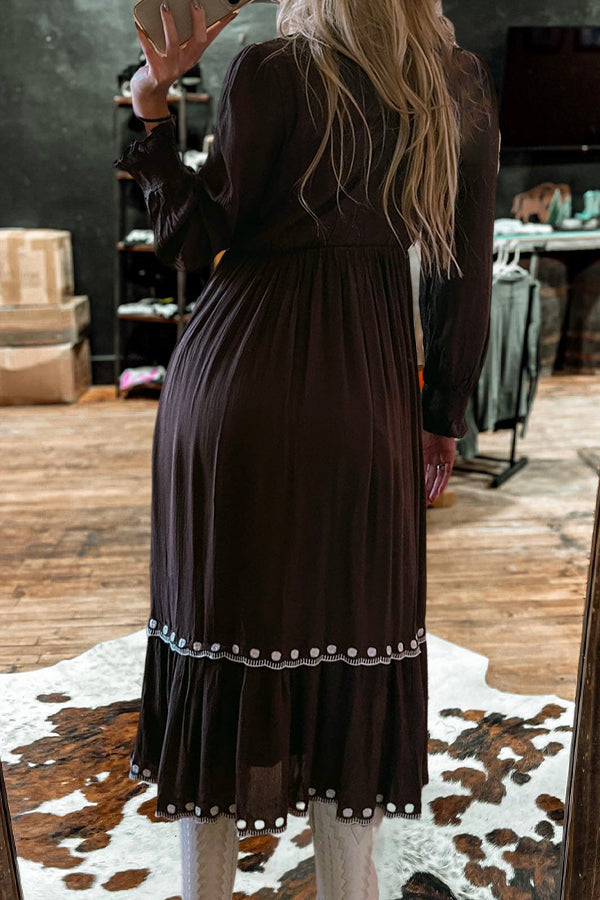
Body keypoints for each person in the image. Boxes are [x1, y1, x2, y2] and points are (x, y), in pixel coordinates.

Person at [113, 0, 499, 895]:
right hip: (362, 398)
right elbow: (464, 270)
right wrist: (441, 411)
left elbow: (194, 241)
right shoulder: (454, 83)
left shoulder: (271, 70)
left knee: (217, 644)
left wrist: (152, 109)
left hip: (230, 392)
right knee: (357, 649)